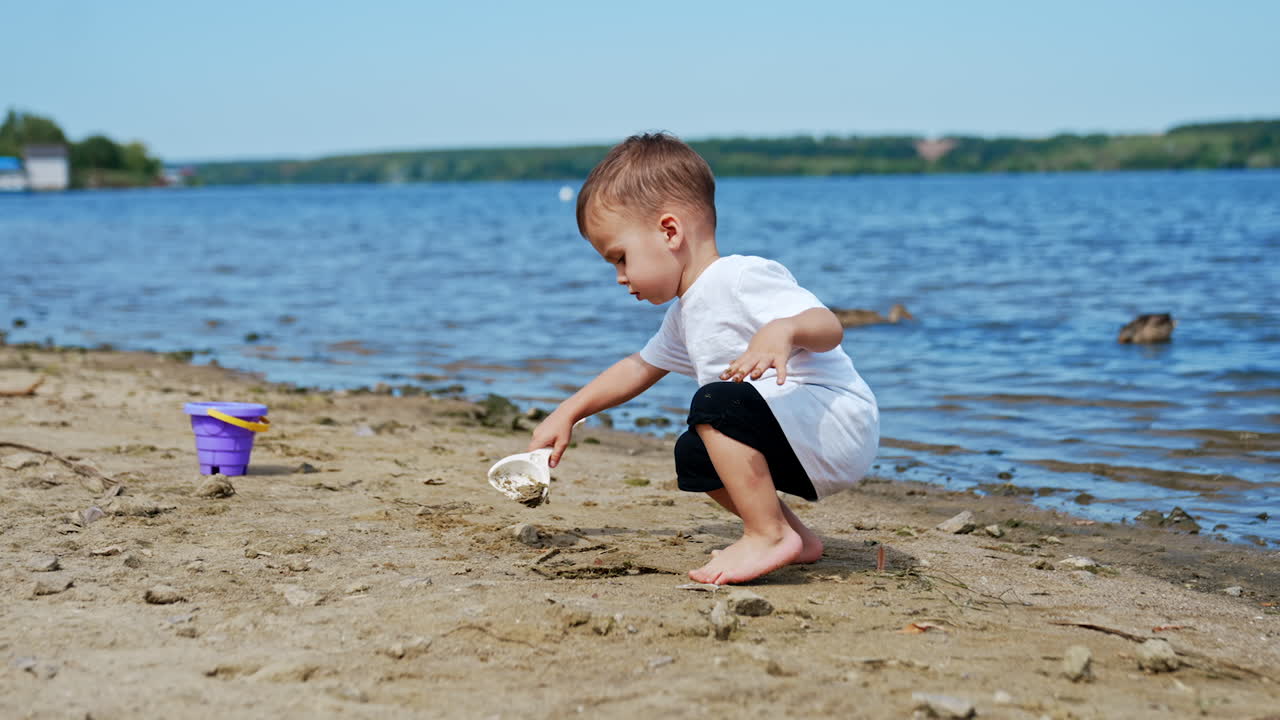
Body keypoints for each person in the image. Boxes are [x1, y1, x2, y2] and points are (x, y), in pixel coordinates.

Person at [528, 132, 878, 585]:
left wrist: (783, 329)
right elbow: (638, 368)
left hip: (835, 424)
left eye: (620, 258)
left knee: (713, 402)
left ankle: (766, 534)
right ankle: (795, 538)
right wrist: (568, 412)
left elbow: (829, 328)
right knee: (693, 452)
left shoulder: (738, 277)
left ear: (669, 232)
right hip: (793, 437)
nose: (618, 277)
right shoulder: (685, 313)